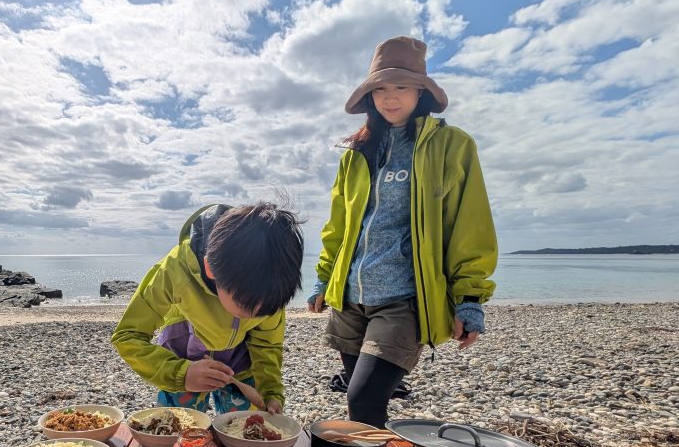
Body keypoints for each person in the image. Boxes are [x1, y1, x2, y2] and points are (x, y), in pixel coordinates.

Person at [307, 36, 497, 427]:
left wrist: (469, 298)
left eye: (401, 87)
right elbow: (339, 228)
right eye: (380, 89)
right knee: (357, 400)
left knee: (363, 403)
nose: (389, 98)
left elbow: (469, 223)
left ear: (421, 91)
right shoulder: (358, 153)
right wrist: (324, 279)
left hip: (402, 301)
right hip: (351, 299)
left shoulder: (451, 146)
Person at [112, 202, 304, 415]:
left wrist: (271, 392)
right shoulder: (175, 270)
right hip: (183, 357)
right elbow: (128, 336)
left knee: (247, 429)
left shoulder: (271, 286)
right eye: (245, 305)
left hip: (242, 362)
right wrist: (181, 374)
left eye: (265, 311)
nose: (254, 315)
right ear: (210, 269)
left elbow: (267, 344)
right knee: (177, 429)